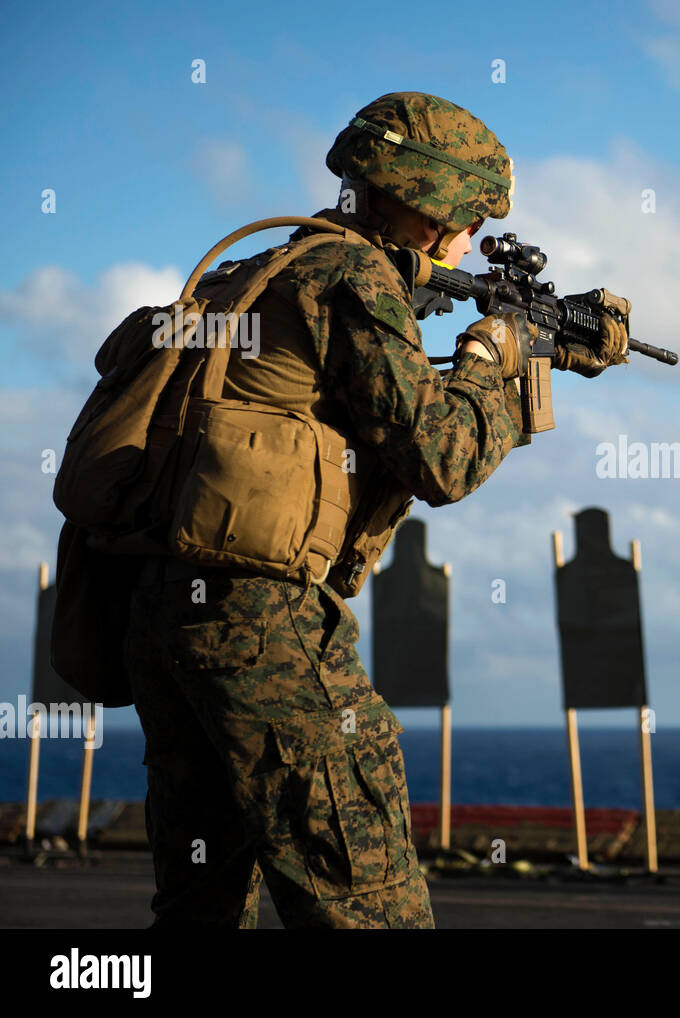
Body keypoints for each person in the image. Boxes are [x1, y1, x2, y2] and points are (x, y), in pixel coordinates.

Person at [123, 92, 628, 928]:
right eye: (468, 219)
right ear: (425, 208)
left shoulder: (253, 275)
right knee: (368, 902)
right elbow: (442, 456)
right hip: (263, 621)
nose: (471, 240)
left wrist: (535, 340)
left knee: (204, 903)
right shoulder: (350, 276)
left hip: (167, 613)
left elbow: (351, 388)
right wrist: (491, 360)